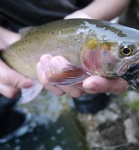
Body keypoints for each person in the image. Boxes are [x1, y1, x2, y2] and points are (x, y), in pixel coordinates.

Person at [0, 0, 130, 142]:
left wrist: (90, 14)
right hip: (12, 39)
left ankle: (92, 111)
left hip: (89, 24)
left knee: (91, 90)